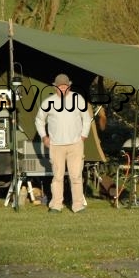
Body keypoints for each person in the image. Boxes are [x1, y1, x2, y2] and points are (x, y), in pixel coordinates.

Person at [34, 73, 90, 213]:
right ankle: (56, 205)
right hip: (56, 145)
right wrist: (44, 137)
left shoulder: (78, 99)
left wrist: (83, 136)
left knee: (76, 176)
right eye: (60, 87)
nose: (63, 89)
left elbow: (86, 118)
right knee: (57, 177)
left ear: (69, 86)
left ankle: (78, 206)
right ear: (55, 87)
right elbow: (39, 120)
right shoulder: (49, 102)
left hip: (75, 145)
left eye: (65, 86)